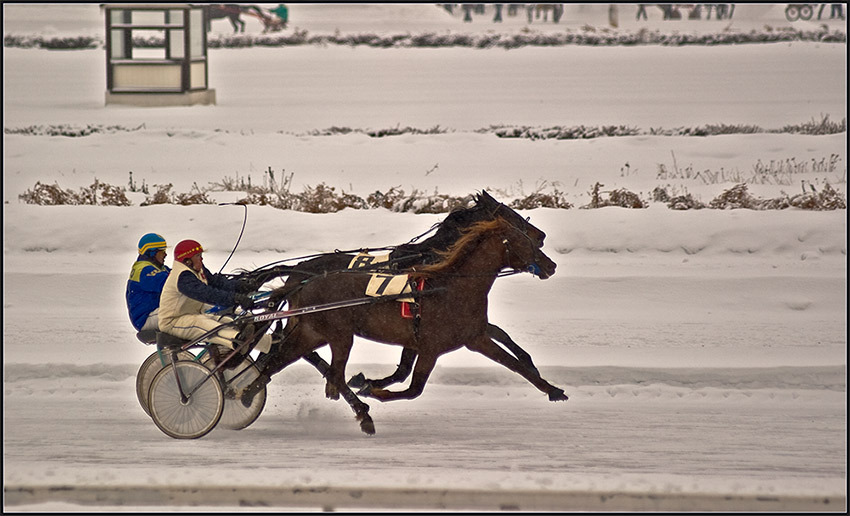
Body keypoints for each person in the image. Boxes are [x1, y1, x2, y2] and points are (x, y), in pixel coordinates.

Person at [158, 239, 267, 353]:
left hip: (193, 313)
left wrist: (239, 286)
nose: (201, 259)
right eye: (198, 256)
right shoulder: (182, 277)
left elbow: (216, 282)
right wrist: (235, 298)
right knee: (204, 324)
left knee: (226, 320)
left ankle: (269, 344)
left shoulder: (196, 269)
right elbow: (207, 293)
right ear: (187, 260)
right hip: (173, 321)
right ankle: (237, 340)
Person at [126, 233, 171, 334]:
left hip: (155, 313)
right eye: (162, 251)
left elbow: (178, 276)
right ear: (152, 252)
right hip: (146, 318)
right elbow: (170, 284)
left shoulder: (159, 268)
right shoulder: (144, 270)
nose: (165, 254)